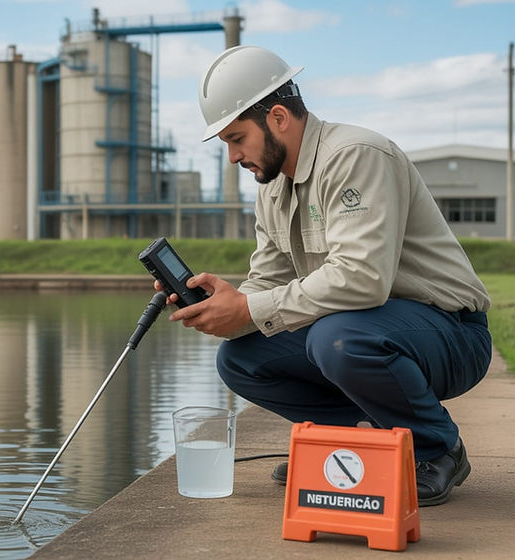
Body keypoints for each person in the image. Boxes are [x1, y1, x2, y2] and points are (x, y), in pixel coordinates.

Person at [157, 45, 492, 506]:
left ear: (278, 117)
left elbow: (362, 278)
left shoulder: (356, 156)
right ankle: (348, 445)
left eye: (236, 139)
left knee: (336, 338)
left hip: (449, 332)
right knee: (240, 357)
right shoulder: (272, 186)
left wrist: (251, 308)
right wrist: (225, 307)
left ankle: (437, 448)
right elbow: (269, 280)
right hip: (368, 329)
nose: (232, 156)